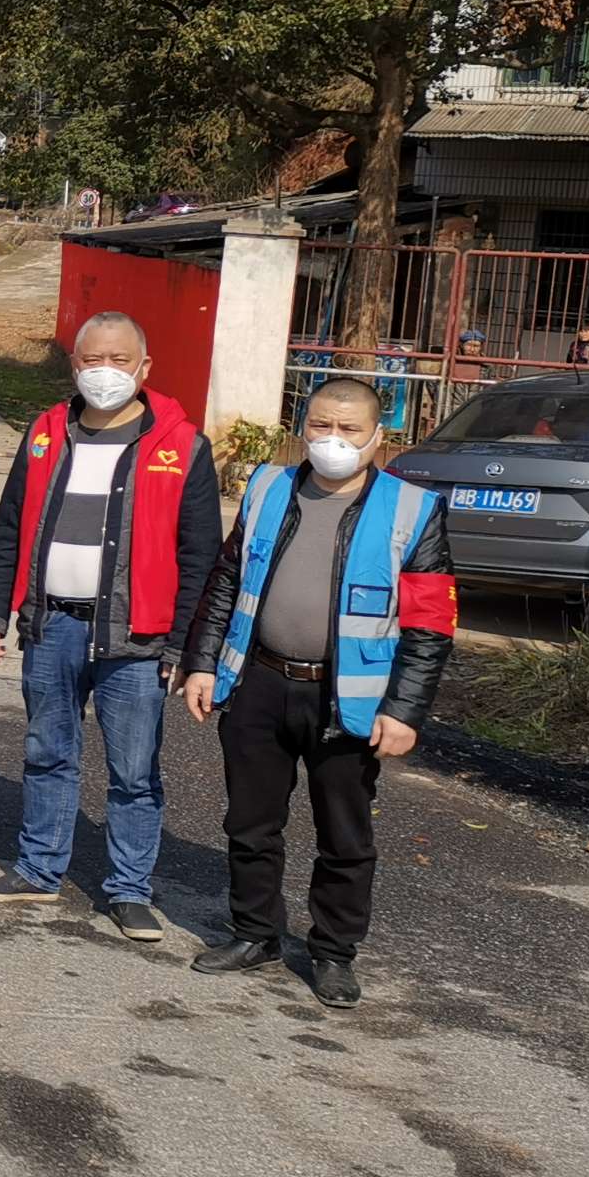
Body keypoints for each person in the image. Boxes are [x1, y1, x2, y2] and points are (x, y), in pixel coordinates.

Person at [179, 378, 457, 1008]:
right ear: (302, 428)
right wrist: (202, 664)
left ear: (377, 437)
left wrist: (405, 711)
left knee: (346, 836)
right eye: (321, 427)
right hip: (259, 684)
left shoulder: (413, 510)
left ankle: (333, 952)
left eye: (350, 430)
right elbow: (226, 580)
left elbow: (431, 623)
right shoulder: (268, 487)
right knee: (250, 823)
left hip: (350, 704)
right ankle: (255, 933)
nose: (334, 441)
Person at [0, 311, 220, 939]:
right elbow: (10, 529)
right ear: (74, 365)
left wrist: (185, 648)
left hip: (136, 638)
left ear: (144, 368)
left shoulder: (182, 444)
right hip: (52, 625)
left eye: (118, 359)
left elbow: (200, 555)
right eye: (90, 360)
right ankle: (38, 869)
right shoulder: (46, 432)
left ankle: (129, 890)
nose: (103, 372)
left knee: (134, 771)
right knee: (46, 752)